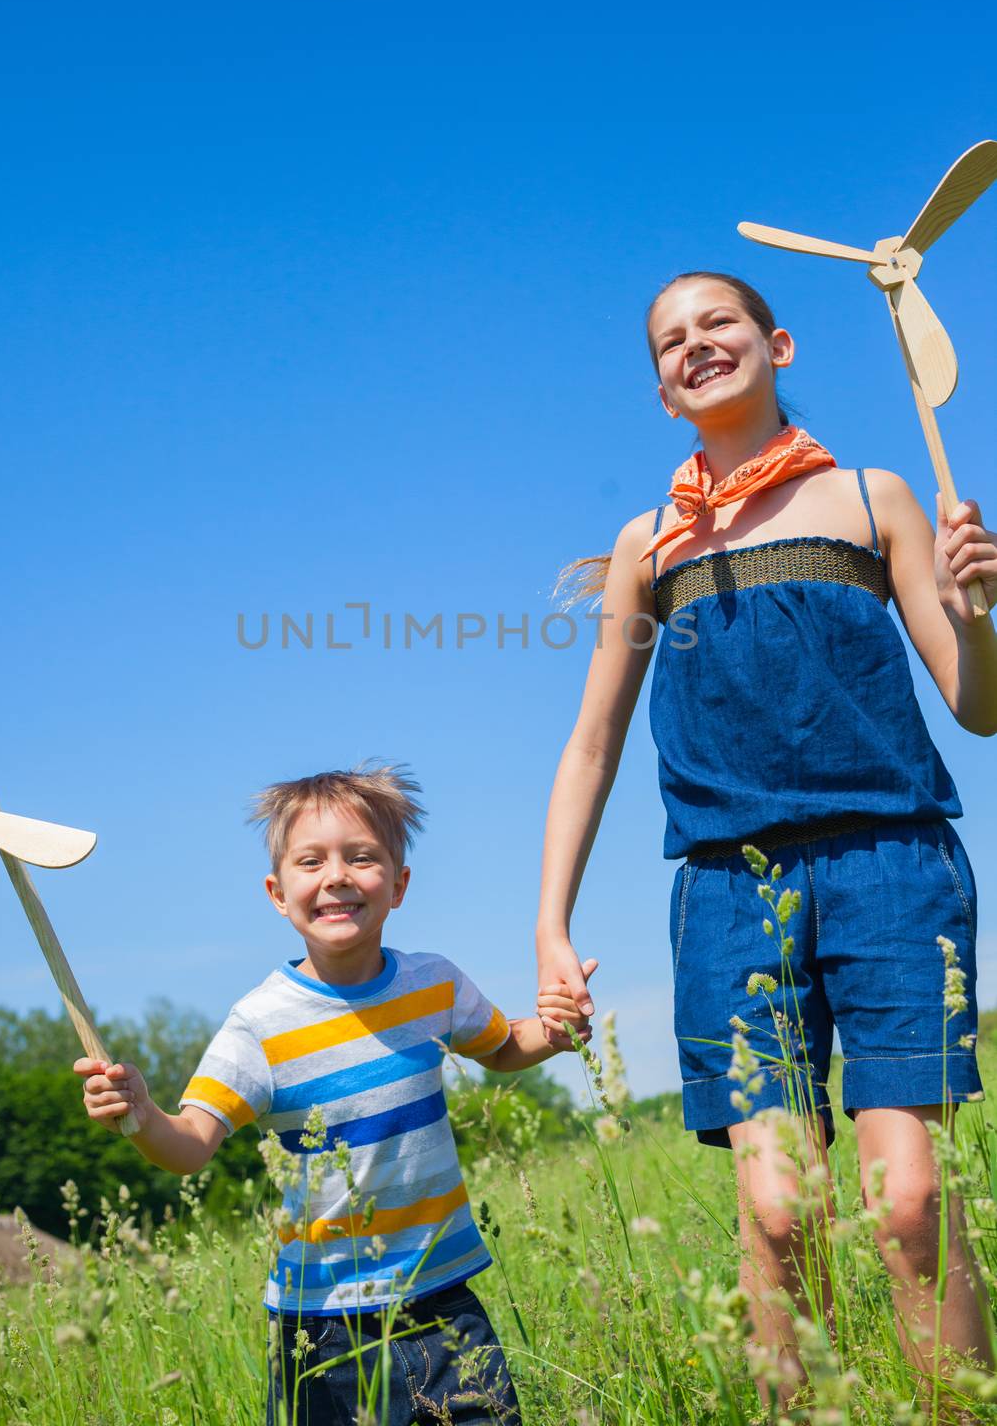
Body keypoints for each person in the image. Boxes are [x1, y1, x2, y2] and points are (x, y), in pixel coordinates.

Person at [534, 271, 997, 1401]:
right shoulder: (649, 542)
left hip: (890, 868)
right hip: (726, 889)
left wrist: (979, 615)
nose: (697, 345)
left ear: (775, 343)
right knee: (780, 1206)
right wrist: (549, 923)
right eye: (670, 340)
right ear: (658, 390)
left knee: (907, 1202)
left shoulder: (868, 494)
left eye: (718, 324)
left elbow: (977, 705)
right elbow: (590, 743)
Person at [76, 762, 592, 1425]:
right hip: (320, 1329)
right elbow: (189, 1146)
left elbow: (498, 1048)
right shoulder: (258, 1026)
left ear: (399, 884)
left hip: (443, 1305)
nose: (336, 876)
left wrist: (554, 1030)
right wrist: (142, 1115)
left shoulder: (433, 984)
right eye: (310, 861)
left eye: (361, 857)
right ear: (276, 892)